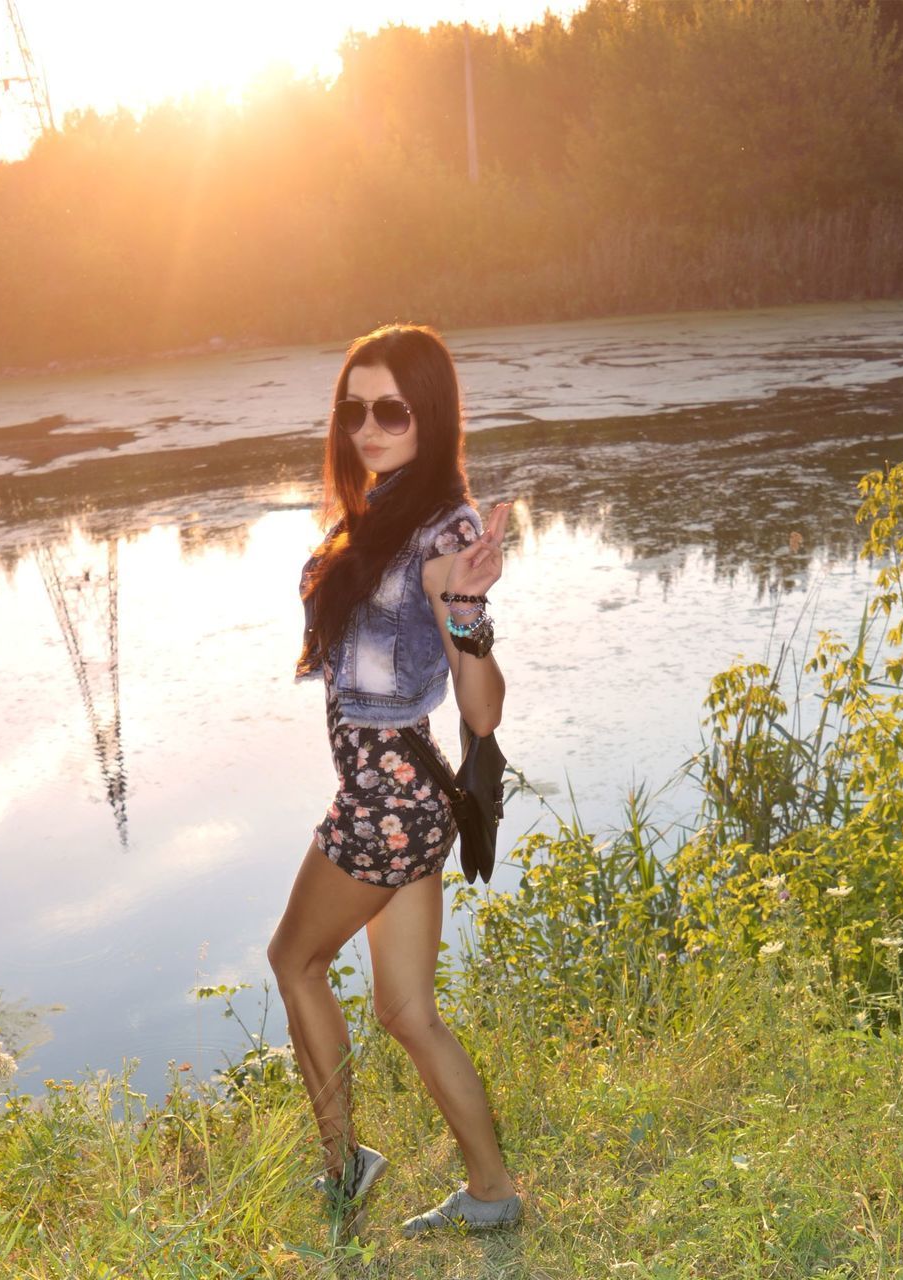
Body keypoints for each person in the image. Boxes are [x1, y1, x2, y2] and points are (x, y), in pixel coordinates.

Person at [267, 324, 521, 1237]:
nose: (367, 426)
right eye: (354, 408)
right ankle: (492, 1195)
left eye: (391, 410)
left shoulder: (445, 530)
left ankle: (344, 1168)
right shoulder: (376, 510)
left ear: (430, 414)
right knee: (408, 1012)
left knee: (292, 961)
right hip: (404, 794)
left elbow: (483, 707)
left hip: (385, 799)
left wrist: (467, 610)